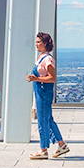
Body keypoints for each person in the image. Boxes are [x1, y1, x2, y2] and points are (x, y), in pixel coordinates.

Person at [28, 32, 70, 160]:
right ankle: (62, 145)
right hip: (40, 92)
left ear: (46, 43)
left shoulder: (47, 60)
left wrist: (37, 78)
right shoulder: (41, 57)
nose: (36, 44)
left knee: (42, 121)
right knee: (48, 120)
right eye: (36, 42)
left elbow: (52, 78)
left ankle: (43, 149)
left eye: (39, 42)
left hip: (44, 93)